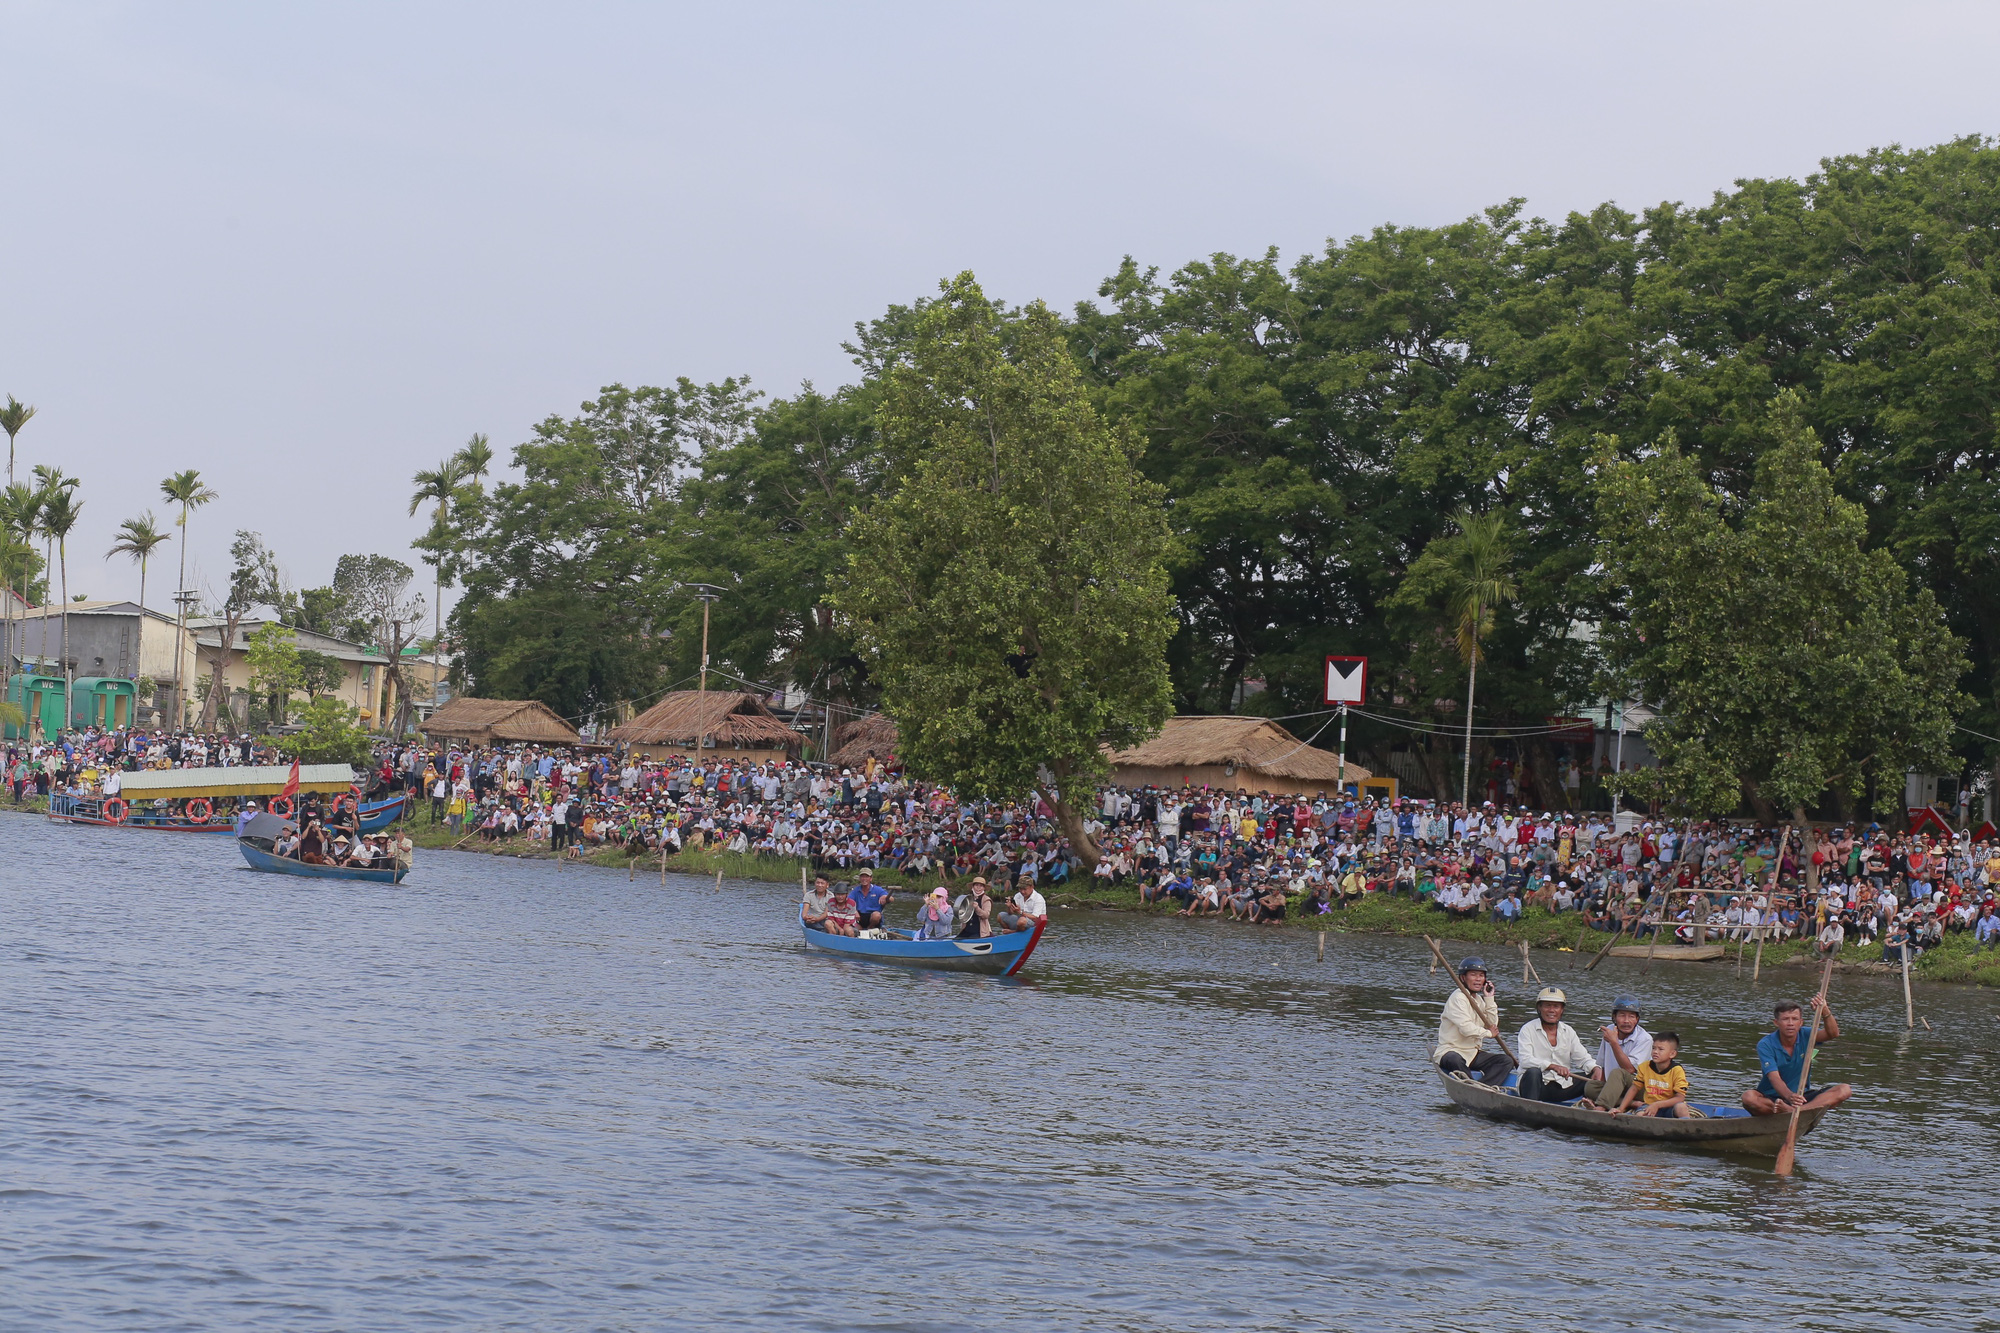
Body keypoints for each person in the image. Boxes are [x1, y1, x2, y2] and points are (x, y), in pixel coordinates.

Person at [1742, 995, 1853, 1116]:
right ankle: (1789, 1111)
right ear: (1776, 1023)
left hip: (1801, 1098)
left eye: (1794, 1019)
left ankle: (1795, 1112)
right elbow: (1774, 1078)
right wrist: (1790, 1096)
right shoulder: (1766, 1044)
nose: (1790, 1023)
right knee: (1749, 1098)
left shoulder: (1806, 1035)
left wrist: (1824, 1010)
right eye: (1785, 1019)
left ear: (1801, 1022)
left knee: (1844, 1090)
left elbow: (1833, 1033)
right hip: (1772, 1098)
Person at [1434, 957, 1513, 1087]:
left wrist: (1489, 998)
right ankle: (1469, 1085)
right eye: (1473, 975)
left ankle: (1482, 1087)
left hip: (1472, 1053)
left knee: (1506, 1061)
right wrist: (1488, 1034)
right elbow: (1466, 1029)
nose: (1477, 979)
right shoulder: (1458, 998)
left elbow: (1491, 1024)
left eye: (1481, 976)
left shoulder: (1479, 1000)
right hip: (1451, 1051)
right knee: (1454, 1059)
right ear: (1463, 978)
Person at [1515, 986, 1600, 1103]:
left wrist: (1596, 1069)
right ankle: (1530, 1109)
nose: (1551, 1010)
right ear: (1539, 1008)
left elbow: (1584, 1059)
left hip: (1561, 1087)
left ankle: (1596, 1106)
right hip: (1535, 1088)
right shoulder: (1528, 1029)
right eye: (1547, 1005)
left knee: (1594, 1075)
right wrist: (1552, 1066)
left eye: (1556, 1006)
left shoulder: (1568, 1031)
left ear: (1562, 1010)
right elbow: (1525, 1060)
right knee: (1533, 1072)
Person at [1581, 995, 1651, 1111]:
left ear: (1637, 1019)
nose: (1626, 1021)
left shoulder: (1645, 1039)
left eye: (1631, 1016)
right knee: (1590, 1087)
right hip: (1615, 1087)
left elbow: (1629, 1070)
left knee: (1619, 1073)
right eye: (1622, 1015)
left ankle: (1601, 1107)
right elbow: (1603, 1065)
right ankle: (1631, 1103)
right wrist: (1604, 1088)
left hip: (1637, 1088)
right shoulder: (1609, 1030)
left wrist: (1614, 1043)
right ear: (1614, 1017)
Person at [1611, 1031, 1692, 1118]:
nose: (1655, 1052)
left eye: (1661, 1049)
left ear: (1672, 1054)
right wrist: (1621, 1109)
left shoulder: (1677, 1070)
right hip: (1649, 1105)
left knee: (1681, 1107)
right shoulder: (1645, 1066)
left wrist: (1658, 1105)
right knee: (1640, 1115)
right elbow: (1634, 1088)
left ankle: (1686, 1128)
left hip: (1669, 1107)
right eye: (1654, 1048)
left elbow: (1680, 1098)